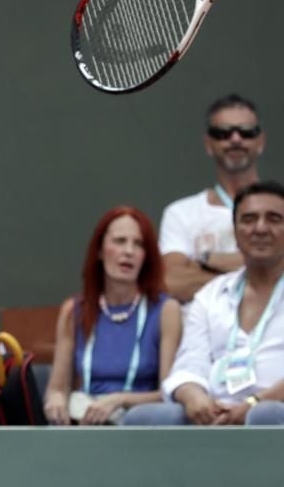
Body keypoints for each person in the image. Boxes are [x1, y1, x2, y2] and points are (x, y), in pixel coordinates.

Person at [122, 181, 284, 426]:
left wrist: (253, 404)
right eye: (249, 219)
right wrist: (195, 398)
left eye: (274, 219)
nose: (260, 228)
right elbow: (189, 364)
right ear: (236, 231)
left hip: (273, 410)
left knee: (265, 416)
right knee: (144, 418)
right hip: (216, 412)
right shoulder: (211, 296)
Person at [43, 206, 182, 425]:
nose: (128, 251)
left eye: (138, 244)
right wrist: (57, 400)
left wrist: (120, 400)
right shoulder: (74, 310)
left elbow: (168, 393)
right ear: (99, 250)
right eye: (119, 241)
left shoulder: (166, 310)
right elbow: (57, 389)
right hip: (85, 424)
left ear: (147, 256)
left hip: (140, 427)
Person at [159, 94, 265, 305]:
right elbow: (170, 282)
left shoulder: (279, 208)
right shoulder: (180, 213)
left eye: (246, 132)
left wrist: (207, 262)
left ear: (260, 142)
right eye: (223, 133)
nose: (235, 139)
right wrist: (261, 273)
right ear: (208, 144)